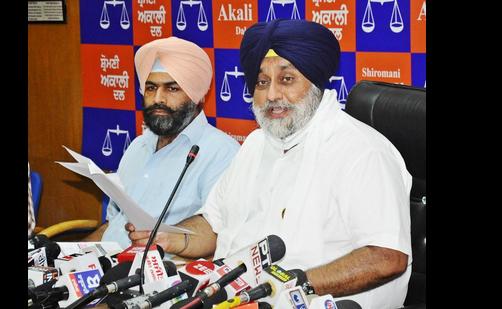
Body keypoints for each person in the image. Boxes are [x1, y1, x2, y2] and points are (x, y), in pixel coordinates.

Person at [126, 19, 412, 309]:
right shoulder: (255, 144)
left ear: (315, 83)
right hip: (236, 298)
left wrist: (290, 283)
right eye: (262, 82)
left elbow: (386, 257)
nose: (272, 95)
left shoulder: (362, 151)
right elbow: (213, 226)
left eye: (286, 80)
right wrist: (171, 237)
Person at [84, 37, 240, 249]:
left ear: (198, 96)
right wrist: (70, 256)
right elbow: (114, 223)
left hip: (156, 275)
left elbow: (216, 235)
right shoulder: (137, 147)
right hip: (104, 266)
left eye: (172, 89)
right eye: (150, 88)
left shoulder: (222, 153)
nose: (158, 98)